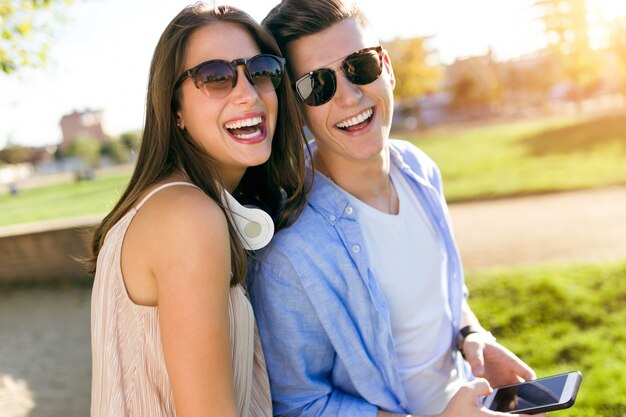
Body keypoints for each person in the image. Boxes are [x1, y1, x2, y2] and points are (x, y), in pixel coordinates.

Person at [247, 1, 542, 417]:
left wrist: (471, 335)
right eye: (318, 85)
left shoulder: (420, 169)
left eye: (360, 66)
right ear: (297, 109)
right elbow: (299, 405)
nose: (350, 96)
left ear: (386, 66)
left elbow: (444, 295)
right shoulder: (291, 250)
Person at [86, 3, 309, 416]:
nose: (247, 92)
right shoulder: (188, 217)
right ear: (175, 110)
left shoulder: (168, 205)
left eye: (261, 71)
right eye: (216, 77)